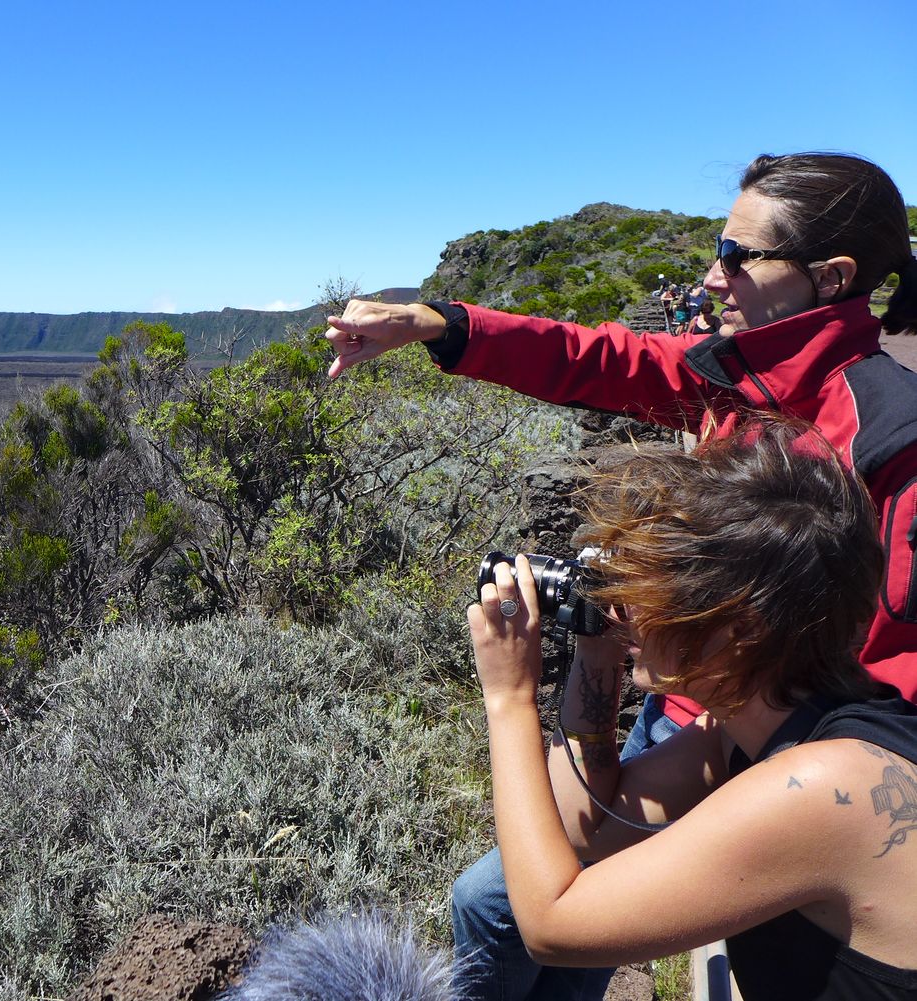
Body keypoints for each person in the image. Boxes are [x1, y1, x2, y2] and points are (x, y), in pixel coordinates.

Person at [324, 151, 917, 1000]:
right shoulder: (739, 372)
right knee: (552, 900)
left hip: (784, 761)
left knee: (503, 907)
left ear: (831, 276)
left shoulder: (889, 439)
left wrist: (780, 775)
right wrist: (439, 325)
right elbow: (599, 357)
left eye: (740, 256)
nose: (715, 276)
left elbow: (896, 662)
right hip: (702, 721)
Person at [472, 421, 917, 1000]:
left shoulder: (823, 786)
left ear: (741, 630)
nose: (631, 602)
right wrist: (597, 644)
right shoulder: (748, 725)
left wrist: (509, 700)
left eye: (659, 588)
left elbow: (552, 926)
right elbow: (587, 832)